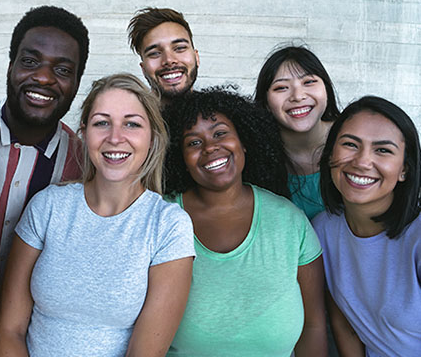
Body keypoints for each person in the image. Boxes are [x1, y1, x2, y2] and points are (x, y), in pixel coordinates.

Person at [0, 73, 195, 357]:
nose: (115, 138)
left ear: (152, 137)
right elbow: (9, 330)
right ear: (84, 132)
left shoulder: (168, 225)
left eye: (132, 124)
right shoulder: (48, 207)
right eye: (102, 123)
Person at [163, 89, 327, 356]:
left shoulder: (289, 221)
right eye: (193, 142)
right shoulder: (162, 218)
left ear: (244, 142)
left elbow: (315, 326)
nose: (210, 147)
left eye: (220, 133)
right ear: (179, 157)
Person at [0, 5, 89, 289]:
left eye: (62, 69)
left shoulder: (82, 165)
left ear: (76, 82)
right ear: (10, 66)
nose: (44, 77)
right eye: (30, 62)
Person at [314, 96, 421, 356]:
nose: (362, 162)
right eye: (351, 144)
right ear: (330, 156)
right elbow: (345, 323)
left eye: (382, 150)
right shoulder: (323, 229)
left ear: (404, 169)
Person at [254, 45, 340, 220]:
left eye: (308, 82)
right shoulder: (256, 157)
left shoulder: (352, 139)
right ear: (266, 103)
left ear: (327, 88)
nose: (298, 96)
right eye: (281, 88)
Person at [128, 7, 199, 106]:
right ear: (143, 69)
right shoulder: (133, 117)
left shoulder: (220, 115)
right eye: (154, 53)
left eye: (179, 48)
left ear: (196, 58)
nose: (169, 60)